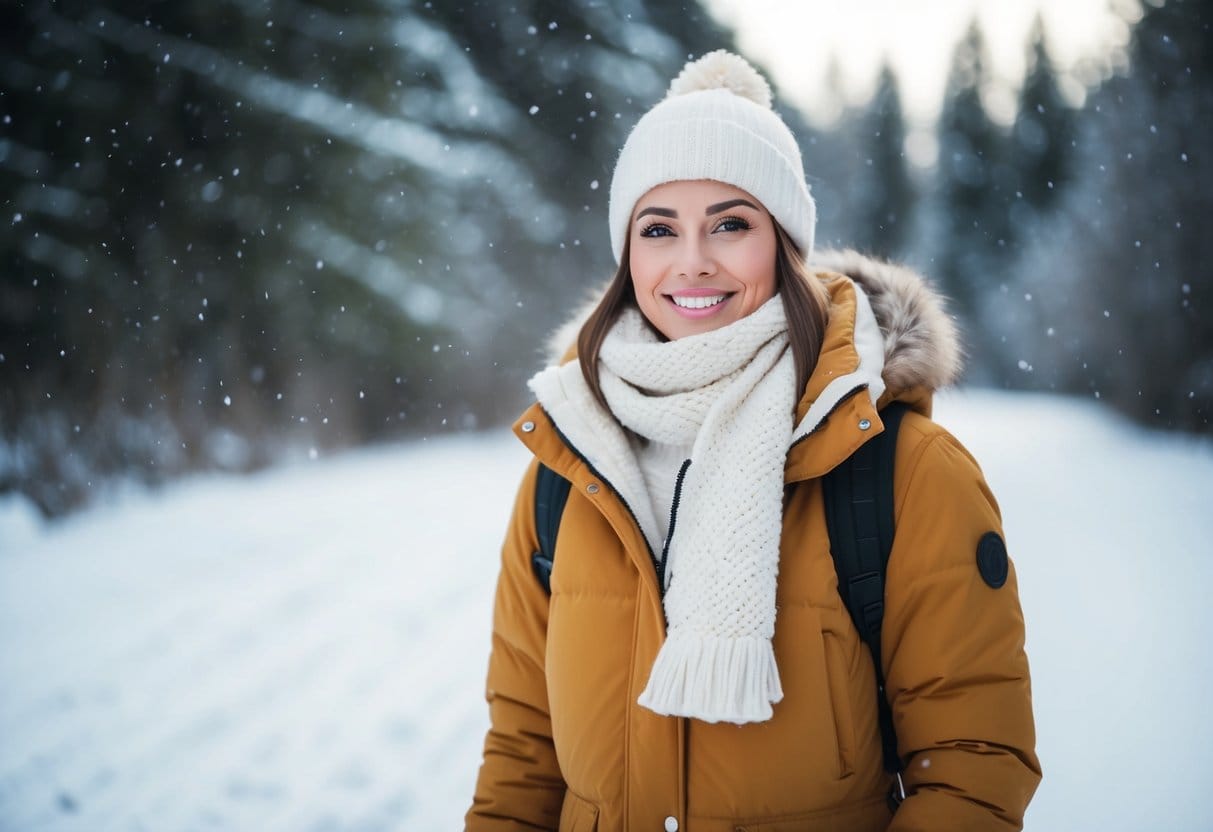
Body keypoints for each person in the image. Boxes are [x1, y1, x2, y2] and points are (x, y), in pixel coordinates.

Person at [466, 50, 1040, 831]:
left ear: (784, 242)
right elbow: (523, 757)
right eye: (657, 228)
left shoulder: (902, 471)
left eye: (729, 224)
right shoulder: (570, 465)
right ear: (626, 254)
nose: (691, 261)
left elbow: (973, 767)